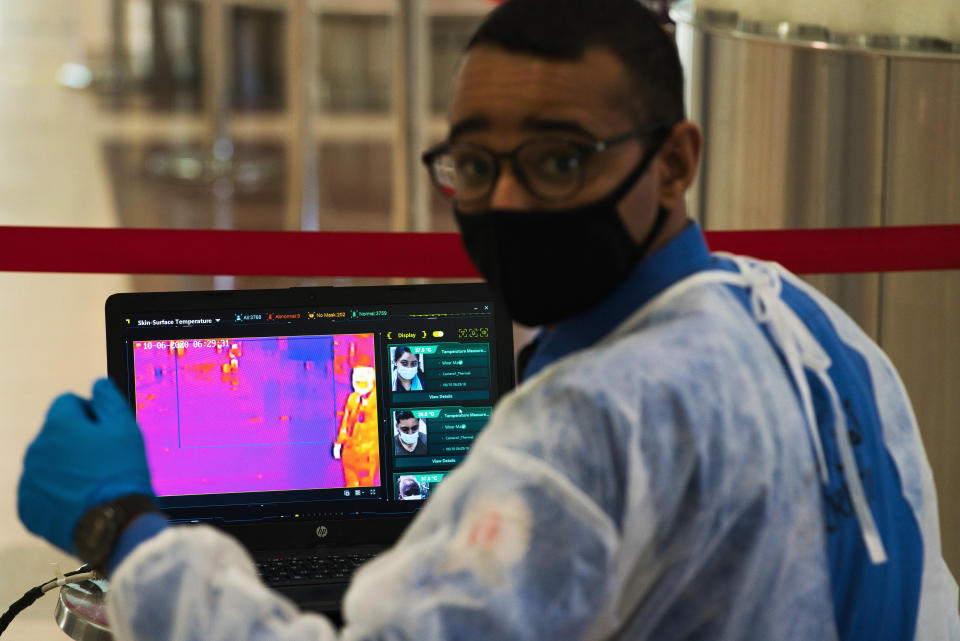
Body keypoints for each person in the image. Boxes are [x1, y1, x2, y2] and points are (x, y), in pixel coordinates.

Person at [16, 1, 960, 640]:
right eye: (474, 165)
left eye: (559, 162)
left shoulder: (589, 423)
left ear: (674, 162)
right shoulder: (804, 317)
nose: (507, 203)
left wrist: (131, 531)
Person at [331, 366, 380, 487]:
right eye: (357, 381)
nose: (360, 384)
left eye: (364, 381)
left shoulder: (377, 399)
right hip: (350, 453)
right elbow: (346, 423)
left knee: (367, 487)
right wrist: (339, 443)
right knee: (351, 485)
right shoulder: (352, 398)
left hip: (369, 454)